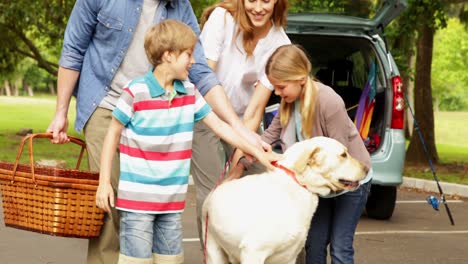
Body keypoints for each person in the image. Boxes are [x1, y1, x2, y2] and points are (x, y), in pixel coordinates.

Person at [47, 1, 271, 263]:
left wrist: (243, 133)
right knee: (110, 204)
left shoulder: (180, 8)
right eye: (186, 54)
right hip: (105, 101)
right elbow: (73, 50)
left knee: (156, 234)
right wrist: (61, 112)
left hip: (160, 105)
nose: (192, 58)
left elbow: (201, 75)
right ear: (168, 55)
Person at [230, 44, 373, 263]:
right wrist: (240, 164)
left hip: (350, 182)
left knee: (340, 247)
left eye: (281, 86)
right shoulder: (287, 104)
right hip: (319, 183)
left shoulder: (329, 101)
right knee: (313, 244)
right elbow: (268, 138)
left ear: (300, 79)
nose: (276, 93)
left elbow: (338, 157)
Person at [191, 0, 290, 242]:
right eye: (251, 0)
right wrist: (223, 126)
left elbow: (255, 109)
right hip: (206, 113)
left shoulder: (280, 43)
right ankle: (212, 256)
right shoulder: (222, 20)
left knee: (261, 183)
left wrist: (239, 160)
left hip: (244, 124)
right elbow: (205, 78)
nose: (258, 8)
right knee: (213, 194)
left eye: (265, 1)